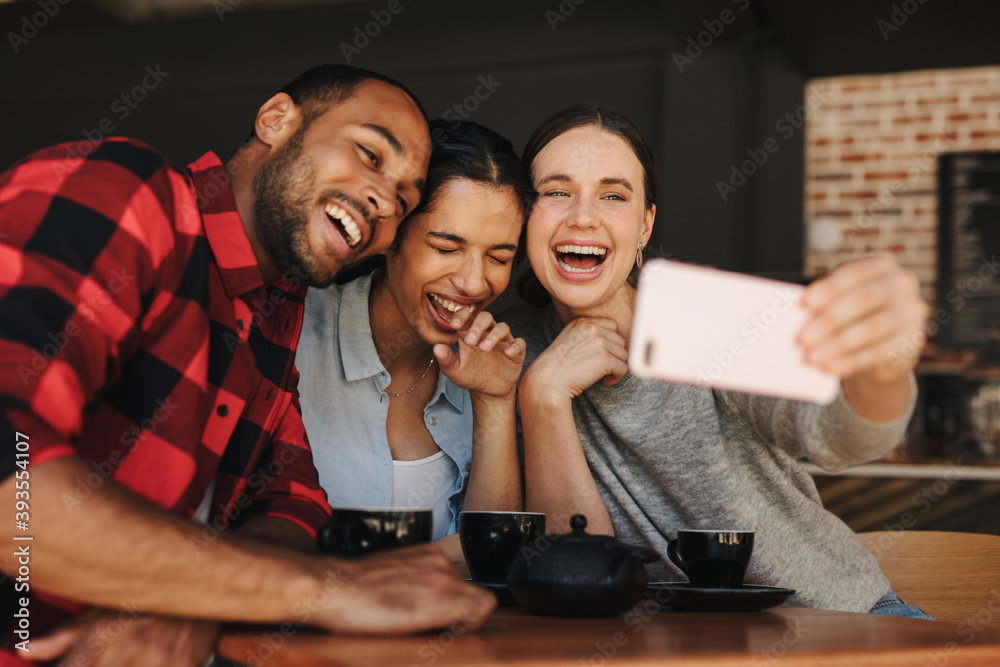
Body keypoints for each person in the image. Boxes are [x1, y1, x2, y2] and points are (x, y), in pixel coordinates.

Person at [0, 65, 495, 667]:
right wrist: (321, 592)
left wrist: (198, 599)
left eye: (404, 199)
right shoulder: (129, 192)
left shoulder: (276, 314)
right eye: (369, 154)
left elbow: (290, 502)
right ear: (276, 120)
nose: (384, 200)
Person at [505, 103, 933, 617]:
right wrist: (544, 397)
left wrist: (884, 368)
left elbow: (839, 437)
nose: (582, 216)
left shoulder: (704, 318)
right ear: (524, 215)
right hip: (674, 646)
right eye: (556, 191)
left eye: (613, 195)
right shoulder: (510, 349)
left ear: (644, 226)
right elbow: (576, 569)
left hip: (841, 620)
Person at [298, 119, 532, 568]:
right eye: (446, 248)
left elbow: (494, 560)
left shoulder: (488, 364)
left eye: (499, 257)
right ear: (391, 237)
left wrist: (495, 400)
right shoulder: (294, 333)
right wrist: (443, 558)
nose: (473, 281)